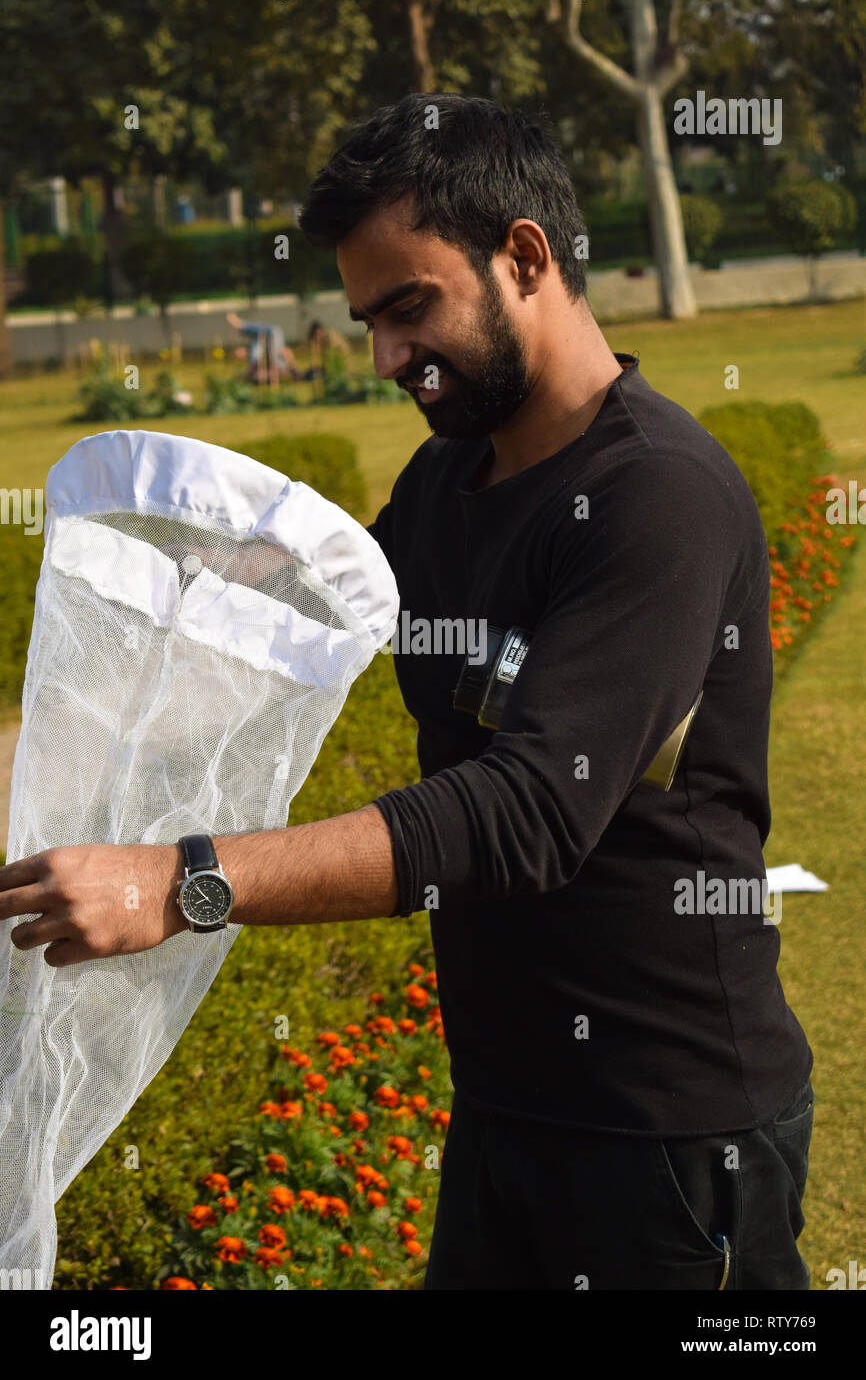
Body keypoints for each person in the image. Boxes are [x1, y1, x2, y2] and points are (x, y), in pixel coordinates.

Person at [0, 94, 814, 1291]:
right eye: (367, 320)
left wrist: (182, 881)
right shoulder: (446, 482)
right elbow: (251, 655)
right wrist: (35, 748)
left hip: (672, 1132)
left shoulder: (659, 497)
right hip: (500, 1109)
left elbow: (528, 810)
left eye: (407, 308)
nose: (384, 357)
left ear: (523, 256)